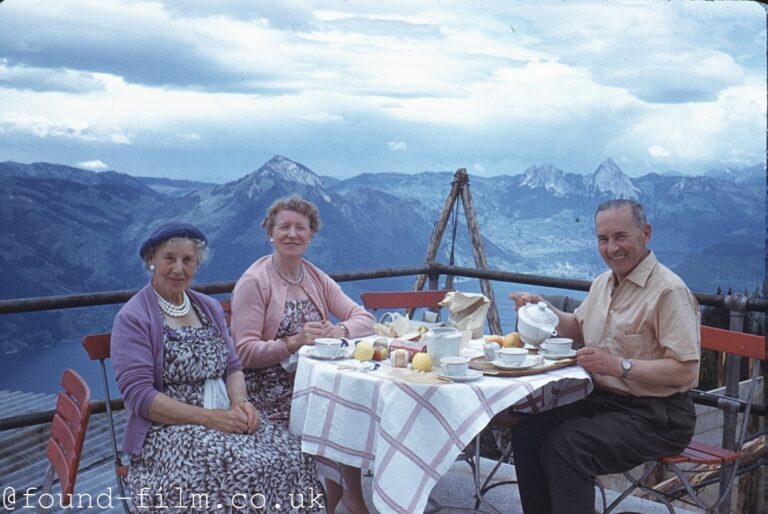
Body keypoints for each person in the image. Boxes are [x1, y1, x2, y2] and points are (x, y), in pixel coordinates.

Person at [112, 221, 321, 513]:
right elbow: (140, 397)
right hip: (167, 431)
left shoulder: (207, 308)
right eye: (169, 258)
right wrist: (210, 419)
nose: (178, 268)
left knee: (294, 456)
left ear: (197, 265)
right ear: (151, 260)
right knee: (246, 467)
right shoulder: (134, 317)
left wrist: (240, 403)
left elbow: (233, 366)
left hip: (223, 413)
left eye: (188, 260)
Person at [509, 199, 700, 514]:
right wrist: (541, 307)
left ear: (645, 233)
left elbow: (685, 371)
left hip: (659, 416)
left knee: (569, 444)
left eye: (620, 236)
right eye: (603, 239)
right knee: (528, 432)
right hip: (605, 403)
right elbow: (576, 328)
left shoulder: (668, 291)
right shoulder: (603, 283)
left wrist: (619, 366)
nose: (611, 248)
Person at [231, 196, 375, 514]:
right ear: (270, 232)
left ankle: (340, 499)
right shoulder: (254, 283)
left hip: (315, 383)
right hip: (268, 395)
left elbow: (364, 318)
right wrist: (293, 342)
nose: (292, 234)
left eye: (301, 228)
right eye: (284, 227)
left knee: (352, 405)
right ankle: (347, 499)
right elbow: (242, 353)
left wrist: (341, 332)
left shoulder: (313, 276)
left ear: (311, 236)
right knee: (340, 409)